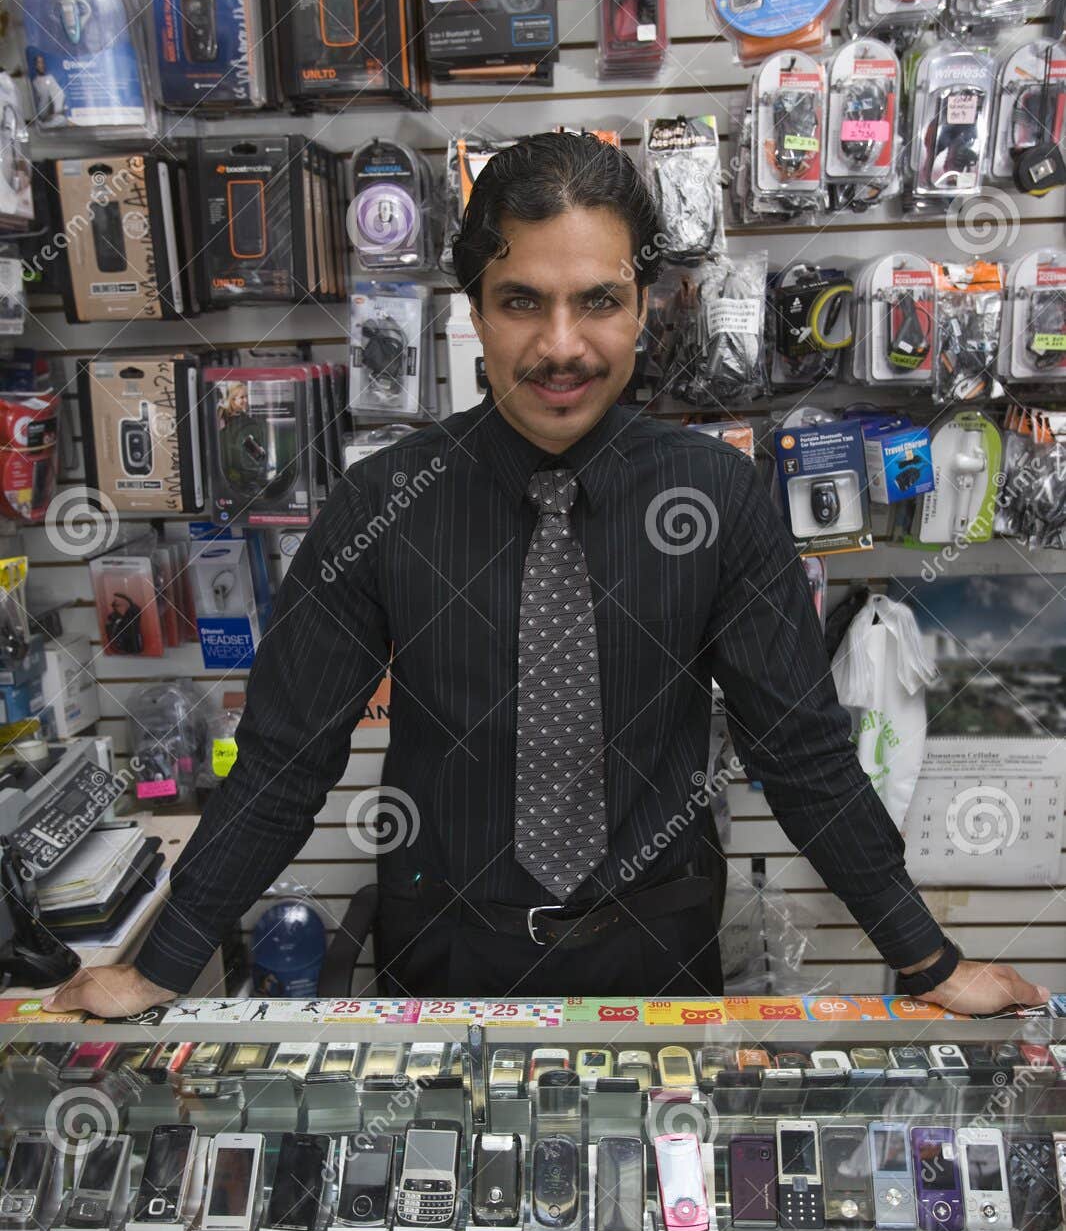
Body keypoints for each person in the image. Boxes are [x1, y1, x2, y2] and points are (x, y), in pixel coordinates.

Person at [49, 133, 1047, 1020]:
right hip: (439, 961)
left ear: (646, 307)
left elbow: (801, 752)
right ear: (473, 311)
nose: (561, 346)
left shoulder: (722, 498)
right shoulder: (383, 507)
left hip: (658, 964)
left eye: (598, 302)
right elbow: (281, 760)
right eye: (521, 301)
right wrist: (163, 964)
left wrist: (927, 960)